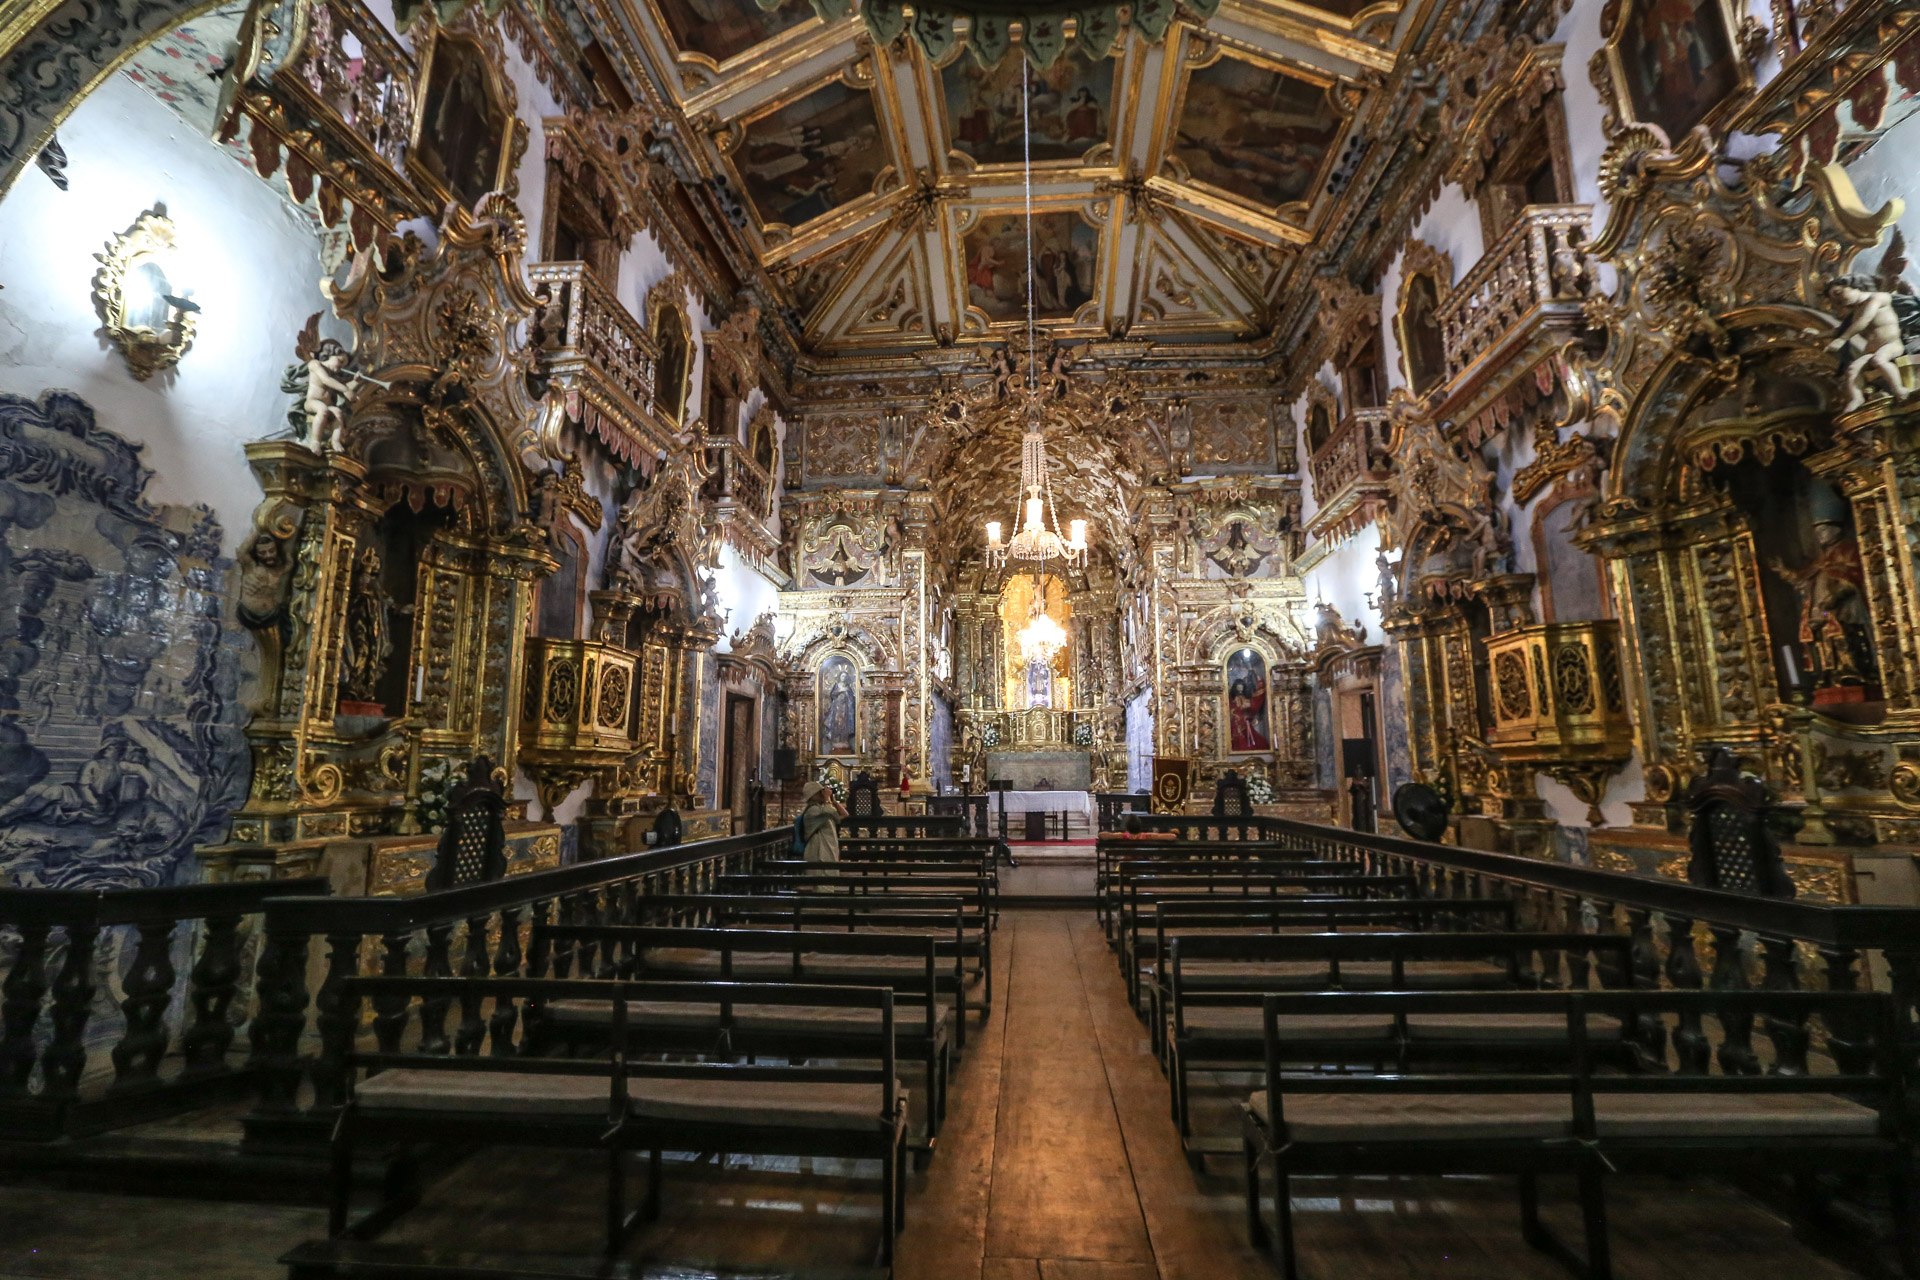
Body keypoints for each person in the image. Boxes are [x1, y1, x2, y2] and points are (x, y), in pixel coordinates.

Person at [799, 780, 846, 864]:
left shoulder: (823, 809)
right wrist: (827, 798)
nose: (823, 794)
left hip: (828, 848)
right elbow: (830, 811)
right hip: (818, 850)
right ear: (813, 795)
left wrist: (834, 801)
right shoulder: (813, 810)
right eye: (820, 792)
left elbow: (844, 814)